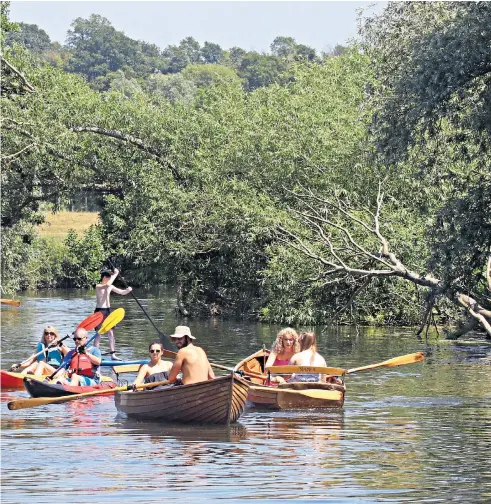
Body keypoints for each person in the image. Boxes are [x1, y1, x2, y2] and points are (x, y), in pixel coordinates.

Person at [94, 268, 132, 361]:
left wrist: (128, 290)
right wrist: (116, 273)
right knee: (98, 333)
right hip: (99, 311)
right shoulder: (98, 286)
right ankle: (95, 355)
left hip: (107, 311)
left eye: (110, 277)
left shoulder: (110, 287)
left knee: (111, 333)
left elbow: (122, 292)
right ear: (103, 277)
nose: (109, 278)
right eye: (108, 276)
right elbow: (107, 284)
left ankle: (113, 354)